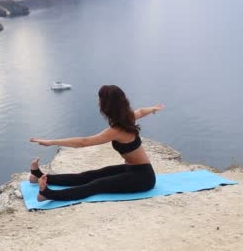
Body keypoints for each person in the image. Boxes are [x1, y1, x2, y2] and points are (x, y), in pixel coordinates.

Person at [29, 85, 164, 202]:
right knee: (89, 176)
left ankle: (47, 194)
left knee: (96, 185)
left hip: (143, 178)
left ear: (106, 105)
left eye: (100, 99)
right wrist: (152, 109)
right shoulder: (127, 119)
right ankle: (38, 176)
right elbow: (140, 111)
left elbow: (83, 142)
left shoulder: (116, 130)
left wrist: (51, 142)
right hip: (132, 170)